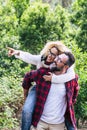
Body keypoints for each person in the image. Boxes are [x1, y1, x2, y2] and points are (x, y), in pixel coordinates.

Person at [7, 41, 75, 130]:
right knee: (27, 110)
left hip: (56, 88)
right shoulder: (42, 59)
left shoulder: (59, 66)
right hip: (39, 87)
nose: (51, 56)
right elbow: (29, 57)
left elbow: (72, 75)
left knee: (67, 110)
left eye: (55, 55)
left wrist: (53, 79)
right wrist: (17, 52)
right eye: (50, 52)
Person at [21, 52, 79, 130]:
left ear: (66, 67)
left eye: (59, 60)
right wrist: (26, 96)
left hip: (58, 125)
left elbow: (75, 92)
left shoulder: (71, 80)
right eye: (57, 57)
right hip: (40, 123)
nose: (55, 60)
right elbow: (27, 77)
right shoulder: (43, 73)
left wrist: (71, 101)